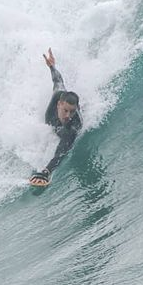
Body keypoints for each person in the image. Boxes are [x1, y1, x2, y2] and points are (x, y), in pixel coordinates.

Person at [29, 48, 82, 187]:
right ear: (59, 104)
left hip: (64, 131)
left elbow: (61, 153)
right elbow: (57, 79)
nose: (68, 115)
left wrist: (47, 171)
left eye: (72, 112)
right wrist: (52, 66)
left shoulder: (73, 126)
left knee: (65, 141)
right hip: (53, 120)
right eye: (65, 110)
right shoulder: (57, 95)